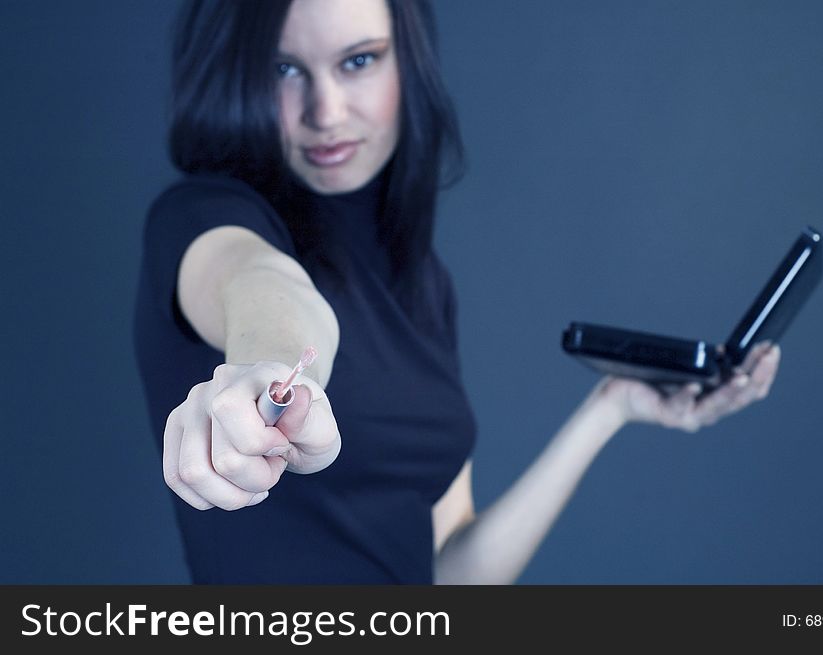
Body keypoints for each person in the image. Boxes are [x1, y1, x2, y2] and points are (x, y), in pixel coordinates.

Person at [134, 0, 781, 585]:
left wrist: (608, 410)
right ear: (237, 72)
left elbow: (454, 581)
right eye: (284, 69)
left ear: (405, 62)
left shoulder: (420, 282)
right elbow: (261, 285)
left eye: (358, 61)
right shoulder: (201, 217)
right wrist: (266, 370)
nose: (325, 112)